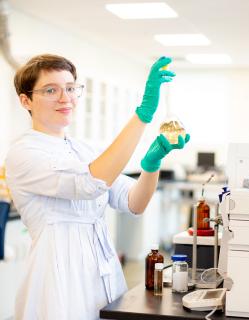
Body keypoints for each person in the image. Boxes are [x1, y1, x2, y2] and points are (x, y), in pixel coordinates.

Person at [5, 54, 190, 320]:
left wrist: (151, 165)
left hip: (102, 270)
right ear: (26, 100)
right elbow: (88, 183)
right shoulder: (23, 152)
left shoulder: (84, 150)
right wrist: (143, 115)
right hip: (59, 276)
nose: (65, 97)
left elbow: (134, 202)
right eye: (50, 90)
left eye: (70, 88)